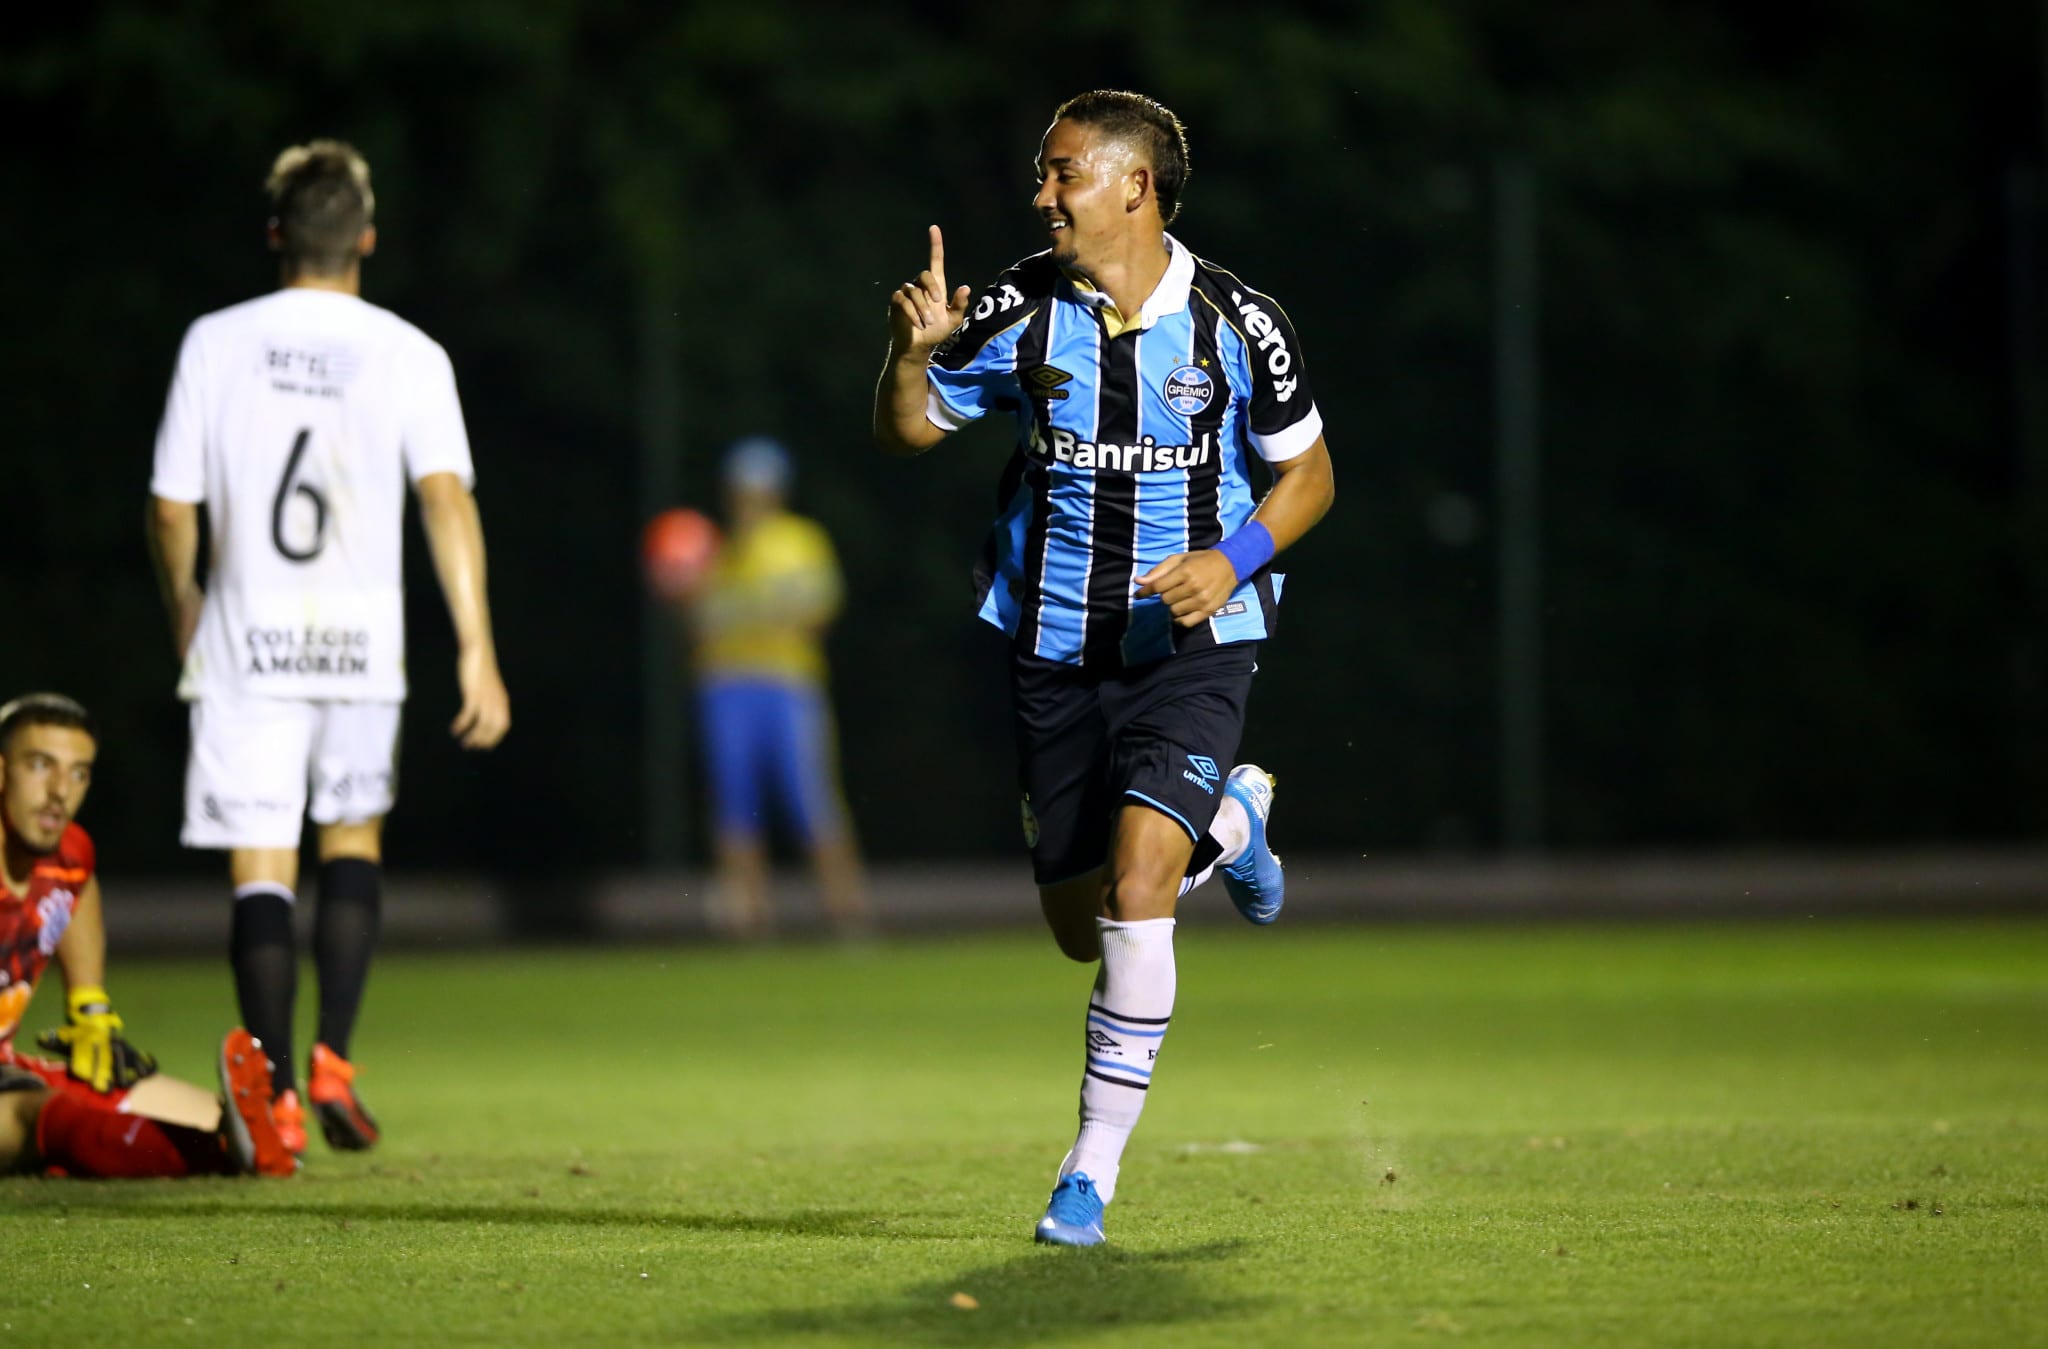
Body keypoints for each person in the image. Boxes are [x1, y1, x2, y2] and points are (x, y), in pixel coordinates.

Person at [873, 90, 1335, 1246]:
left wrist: (1227, 563)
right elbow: (913, 428)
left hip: (1190, 649)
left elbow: (1311, 475)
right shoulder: (1023, 307)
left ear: (1133, 185)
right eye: (1042, 173)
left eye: (1061, 171)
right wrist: (905, 357)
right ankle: (1231, 825)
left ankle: (1087, 1173)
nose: (1041, 194)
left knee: (1137, 896)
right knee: (1082, 929)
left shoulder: (1239, 323)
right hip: (1052, 651)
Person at [145, 140, 511, 1159]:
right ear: (366, 238)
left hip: (247, 638)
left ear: (275, 235)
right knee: (350, 841)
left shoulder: (214, 341)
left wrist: (186, 606)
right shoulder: (408, 351)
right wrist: (476, 647)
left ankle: (272, 1102)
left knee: (260, 866)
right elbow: (446, 499)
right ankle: (333, 1063)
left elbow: (173, 507)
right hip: (360, 641)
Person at [0, 692, 294, 1178]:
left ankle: (231, 1149)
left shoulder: (68, 855)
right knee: (41, 1115)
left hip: (8, 1070)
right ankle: (211, 1159)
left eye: (79, 773)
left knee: (211, 1116)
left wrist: (89, 1007)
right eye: (40, 765)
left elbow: (81, 884)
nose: (60, 791)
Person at [672, 437, 868, 939]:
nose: (749, 499)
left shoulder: (799, 540)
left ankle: (846, 915)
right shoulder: (710, 549)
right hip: (725, 686)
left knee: (812, 798)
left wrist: (757, 612)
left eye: (757, 489)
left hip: (787, 683)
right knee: (735, 803)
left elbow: (819, 613)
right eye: (741, 490)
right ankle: (749, 921)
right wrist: (683, 592)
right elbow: (693, 626)